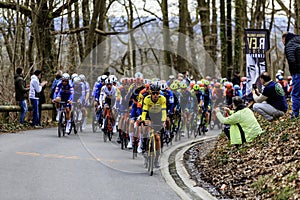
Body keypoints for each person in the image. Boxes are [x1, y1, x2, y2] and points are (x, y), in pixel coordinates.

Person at [282, 32, 300, 118]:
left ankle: (295, 114)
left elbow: (292, 60)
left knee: (295, 93)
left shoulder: (289, 45)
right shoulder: (298, 41)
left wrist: (293, 72)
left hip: (298, 72)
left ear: (284, 39)